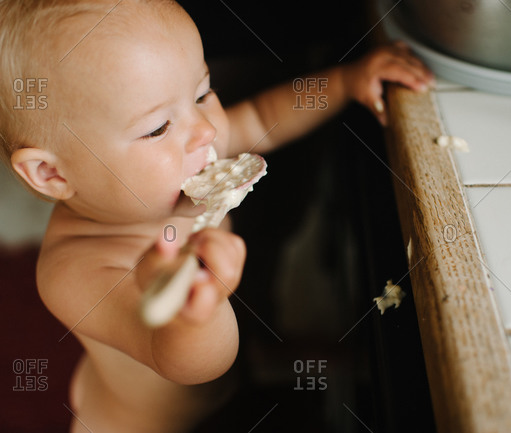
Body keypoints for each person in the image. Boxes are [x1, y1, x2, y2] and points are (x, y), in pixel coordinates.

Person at [0, 0, 434, 431]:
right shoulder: (75, 272)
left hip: (228, 384)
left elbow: (264, 116)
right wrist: (195, 312)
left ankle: (264, 357)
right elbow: (191, 364)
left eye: (203, 92)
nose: (205, 130)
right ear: (51, 173)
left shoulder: (189, 155)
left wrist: (346, 80)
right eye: (156, 128)